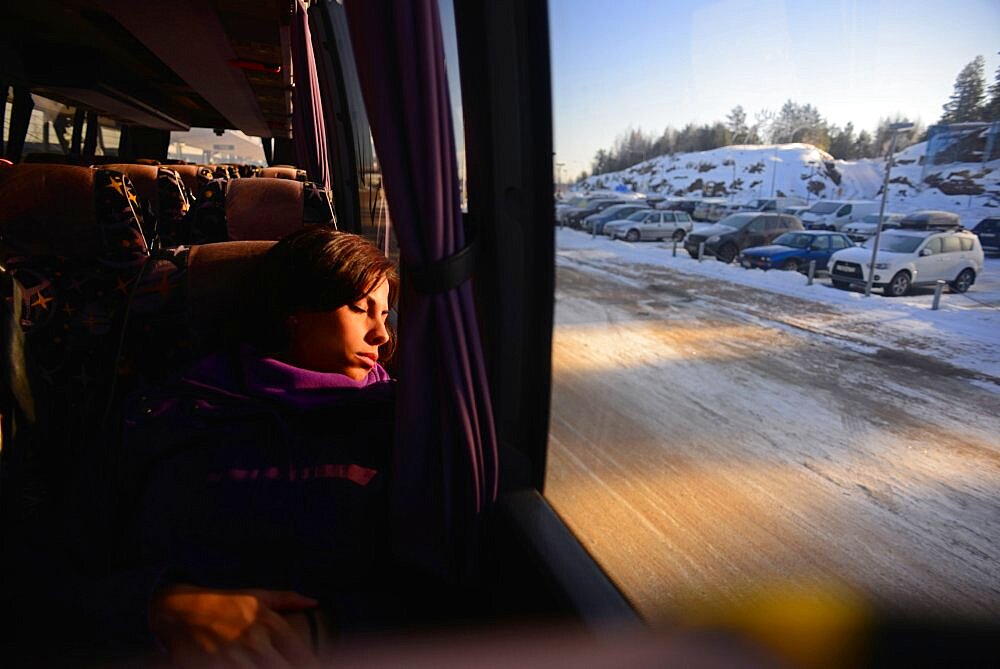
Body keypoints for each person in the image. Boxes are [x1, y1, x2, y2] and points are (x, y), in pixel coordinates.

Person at [5, 228, 399, 666]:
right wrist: (156, 608)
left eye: (386, 314)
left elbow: (446, 584)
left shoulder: (401, 423)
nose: (381, 334)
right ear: (296, 310)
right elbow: (49, 573)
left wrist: (325, 631)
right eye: (361, 308)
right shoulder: (165, 414)